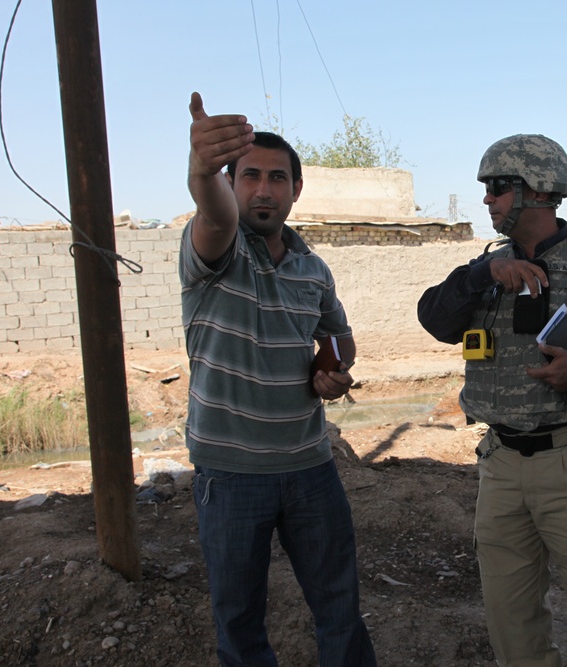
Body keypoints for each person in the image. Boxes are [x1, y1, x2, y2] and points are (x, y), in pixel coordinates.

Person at [418, 134, 567, 666]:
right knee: (510, 618)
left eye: (498, 188)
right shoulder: (484, 271)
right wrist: (482, 273)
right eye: (487, 190)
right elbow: (434, 318)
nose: (487, 200)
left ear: (537, 190)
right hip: (501, 465)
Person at [181, 91, 377, 667]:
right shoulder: (213, 250)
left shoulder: (313, 268)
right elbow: (215, 213)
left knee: (340, 607)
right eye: (248, 177)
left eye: (276, 178)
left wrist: (333, 371)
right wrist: (200, 171)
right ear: (231, 182)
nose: (262, 189)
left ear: (296, 189)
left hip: (311, 469)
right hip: (231, 474)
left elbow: (340, 337)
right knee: (239, 621)